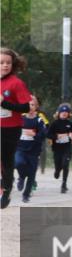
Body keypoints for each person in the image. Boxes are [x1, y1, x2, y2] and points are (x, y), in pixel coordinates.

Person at [1, 47, 33, 209]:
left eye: (8, 63)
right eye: (1, 63)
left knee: (6, 160)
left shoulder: (16, 83)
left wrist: (4, 103)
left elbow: (26, 108)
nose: (5, 65)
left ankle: (6, 190)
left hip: (10, 128)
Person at [14, 96, 45, 203]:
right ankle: (21, 177)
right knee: (18, 163)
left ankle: (26, 195)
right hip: (20, 148)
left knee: (31, 174)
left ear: (36, 107)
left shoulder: (39, 120)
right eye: (28, 105)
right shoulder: (20, 118)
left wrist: (34, 134)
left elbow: (44, 134)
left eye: (32, 105)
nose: (30, 107)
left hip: (34, 151)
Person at [46, 103, 72, 195]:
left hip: (67, 147)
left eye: (66, 112)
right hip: (57, 148)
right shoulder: (54, 124)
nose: (64, 113)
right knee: (58, 165)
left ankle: (64, 184)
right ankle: (57, 171)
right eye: (62, 112)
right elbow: (48, 134)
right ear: (58, 113)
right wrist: (57, 136)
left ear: (69, 114)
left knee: (65, 164)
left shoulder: (71, 124)